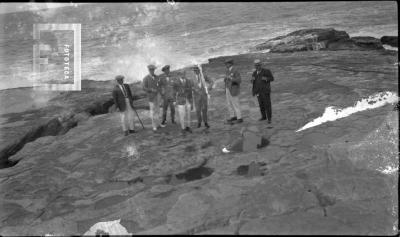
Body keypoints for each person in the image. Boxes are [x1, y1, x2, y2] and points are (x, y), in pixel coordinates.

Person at [251, 59, 274, 123]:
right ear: (254, 66)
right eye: (256, 65)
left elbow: (272, 78)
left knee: (267, 105)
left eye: (258, 65)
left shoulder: (267, 71)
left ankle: (269, 118)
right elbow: (253, 82)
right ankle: (263, 117)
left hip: (265, 91)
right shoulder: (254, 73)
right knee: (261, 105)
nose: (257, 67)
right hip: (258, 92)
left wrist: (266, 78)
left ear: (261, 65)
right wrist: (253, 90)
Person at [142, 64, 163, 132]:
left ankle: (159, 123)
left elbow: (159, 85)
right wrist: (151, 90)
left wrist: (161, 92)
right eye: (151, 70)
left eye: (153, 70)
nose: (152, 71)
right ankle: (154, 126)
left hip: (157, 96)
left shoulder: (157, 77)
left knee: (158, 110)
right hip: (151, 97)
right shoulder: (145, 78)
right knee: (153, 112)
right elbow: (143, 88)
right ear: (149, 70)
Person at [224, 58, 243, 124]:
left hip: (233, 89)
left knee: (236, 104)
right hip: (227, 89)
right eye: (225, 63)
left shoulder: (235, 70)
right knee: (229, 103)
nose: (226, 64)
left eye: (227, 63)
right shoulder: (227, 70)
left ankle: (239, 118)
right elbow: (226, 79)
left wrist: (231, 78)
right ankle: (232, 116)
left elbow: (239, 80)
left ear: (230, 64)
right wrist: (225, 79)